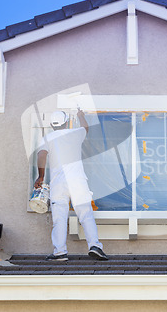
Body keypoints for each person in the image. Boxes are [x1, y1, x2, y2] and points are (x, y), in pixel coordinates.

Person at [34, 109, 108, 261]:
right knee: (86, 214)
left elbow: (41, 155)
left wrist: (40, 176)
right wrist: (81, 116)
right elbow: (85, 128)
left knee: (59, 217)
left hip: (58, 184)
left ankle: (60, 252)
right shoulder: (74, 134)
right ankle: (95, 246)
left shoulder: (47, 138)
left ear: (51, 125)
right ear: (66, 122)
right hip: (77, 181)